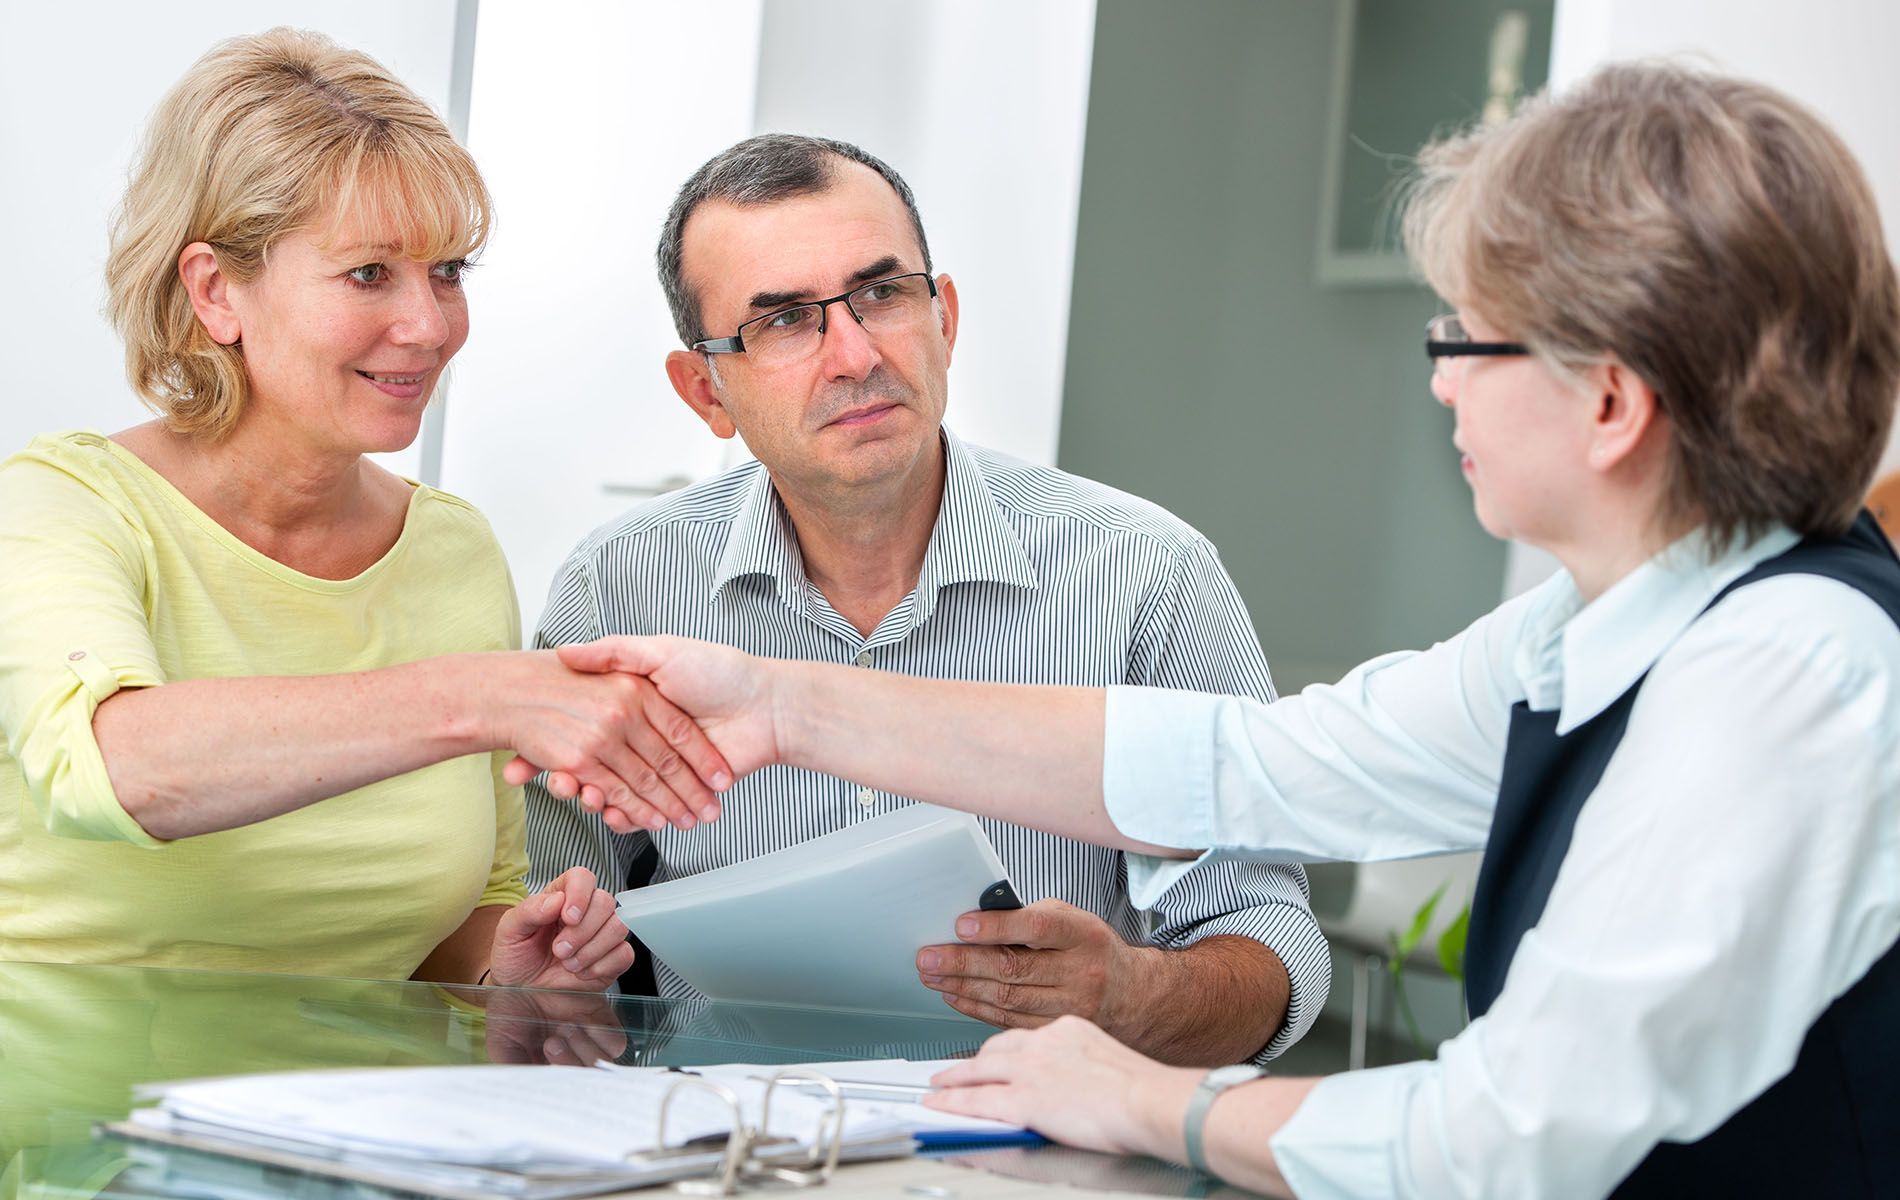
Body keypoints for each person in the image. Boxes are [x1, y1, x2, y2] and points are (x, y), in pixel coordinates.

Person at [549, 63, 1900, 1197]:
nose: (1440, 383)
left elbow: (1511, 1132)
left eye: (1468, 337)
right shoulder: (1603, 626)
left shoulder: (1781, 676)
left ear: (1609, 403)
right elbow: (1255, 764)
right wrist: (787, 707)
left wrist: (1149, 1100)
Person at [523, 134, 1329, 1066]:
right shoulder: (615, 588)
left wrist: (1131, 996)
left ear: (943, 316)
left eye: (883, 293)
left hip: (1037, 1153)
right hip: (727, 1146)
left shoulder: (1148, 575)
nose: (855, 354)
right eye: (783, 321)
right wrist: (558, 983)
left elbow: (1274, 953)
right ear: (706, 389)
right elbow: (552, 943)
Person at [0, 29, 728, 990]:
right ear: (216, 291)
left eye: (449, 272)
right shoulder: (62, 506)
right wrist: (484, 694)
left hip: (355, 1129)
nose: (430, 327)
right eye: (368, 273)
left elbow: (471, 909)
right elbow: (116, 766)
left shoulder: (451, 549)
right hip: (70, 1129)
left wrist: (513, 960)